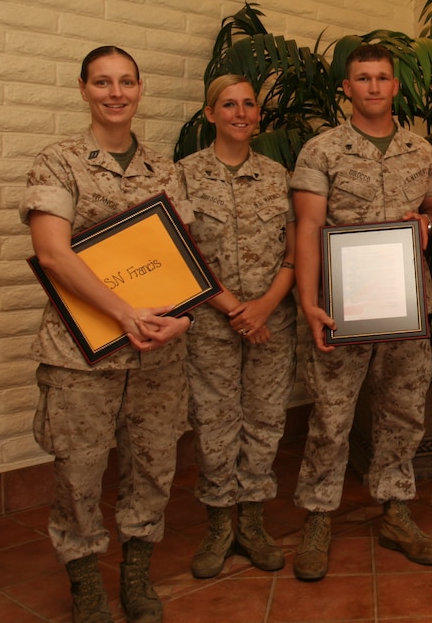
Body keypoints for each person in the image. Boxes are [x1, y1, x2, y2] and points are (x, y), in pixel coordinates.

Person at [20, 46, 194, 623]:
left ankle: (138, 573)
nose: (115, 93)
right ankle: (86, 583)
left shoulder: (166, 171)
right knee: (79, 471)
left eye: (126, 82)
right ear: (83, 89)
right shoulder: (59, 162)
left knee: (152, 466)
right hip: (80, 356)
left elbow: (186, 262)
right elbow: (52, 254)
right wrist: (123, 312)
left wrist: (184, 318)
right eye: (102, 82)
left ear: (140, 89)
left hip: (157, 354)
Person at [289, 43, 432, 582]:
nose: (374, 86)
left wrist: (427, 224)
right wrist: (309, 303)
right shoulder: (322, 151)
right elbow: (307, 229)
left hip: (407, 305)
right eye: (363, 78)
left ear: (396, 86)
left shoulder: (421, 150)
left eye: (382, 77)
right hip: (345, 306)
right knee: (332, 416)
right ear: (347, 88)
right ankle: (318, 516)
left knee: (404, 410)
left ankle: (396, 509)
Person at [177, 75, 297, 578]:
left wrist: (265, 304)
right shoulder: (182, 175)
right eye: (229, 104)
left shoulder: (277, 176)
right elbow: (180, 254)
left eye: (249, 104)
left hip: (273, 319)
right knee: (214, 422)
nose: (240, 112)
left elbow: (295, 250)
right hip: (211, 323)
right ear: (210, 114)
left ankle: (252, 521)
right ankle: (219, 523)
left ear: (259, 116)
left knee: (266, 420)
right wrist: (235, 310)